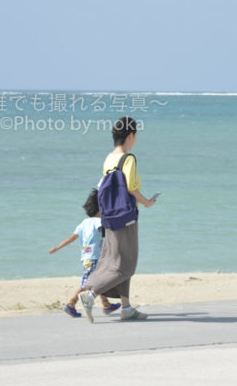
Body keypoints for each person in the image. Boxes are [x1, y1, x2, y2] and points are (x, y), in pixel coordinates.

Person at [79, 116, 156, 322]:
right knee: (126, 266)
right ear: (131, 136)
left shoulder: (109, 158)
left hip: (109, 217)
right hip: (126, 217)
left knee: (114, 260)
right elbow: (131, 187)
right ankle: (90, 294)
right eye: (136, 135)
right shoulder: (128, 158)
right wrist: (147, 202)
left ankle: (126, 307)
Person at [49, 189, 121, 318]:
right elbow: (107, 230)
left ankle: (106, 304)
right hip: (95, 258)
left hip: (86, 258)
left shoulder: (83, 223)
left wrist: (57, 248)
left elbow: (71, 238)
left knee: (99, 281)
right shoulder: (98, 222)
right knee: (88, 284)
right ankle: (71, 303)